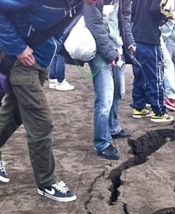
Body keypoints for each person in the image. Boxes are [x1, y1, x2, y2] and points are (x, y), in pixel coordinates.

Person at [0, 0, 97, 202]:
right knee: (41, 123)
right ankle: (47, 182)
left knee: (14, 115)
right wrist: (17, 47)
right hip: (21, 61)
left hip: (41, 61)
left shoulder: (80, 3)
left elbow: (59, 27)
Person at [84, 0, 135, 160]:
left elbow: (125, 18)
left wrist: (130, 41)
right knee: (104, 99)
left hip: (118, 50)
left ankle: (113, 127)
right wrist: (108, 52)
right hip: (100, 52)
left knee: (118, 91)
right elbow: (94, 24)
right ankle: (102, 143)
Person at [130, 0, 175, 123]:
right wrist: (169, 15)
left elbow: (131, 12)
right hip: (150, 41)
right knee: (155, 76)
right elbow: (156, 9)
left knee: (139, 75)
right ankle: (158, 111)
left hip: (136, 38)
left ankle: (138, 106)